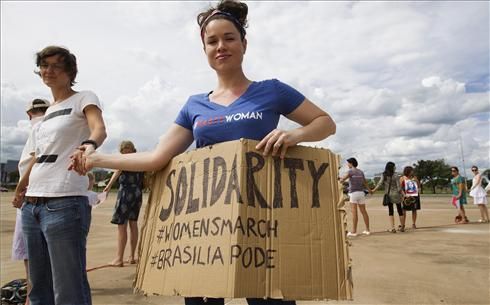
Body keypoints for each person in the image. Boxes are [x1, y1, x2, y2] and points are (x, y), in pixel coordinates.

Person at [70, 1, 335, 304]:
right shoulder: (194, 105)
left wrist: (294, 134)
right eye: (212, 41)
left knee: (269, 299)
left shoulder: (272, 90)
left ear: (244, 44)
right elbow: (157, 157)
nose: (221, 46)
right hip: (205, 228)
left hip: (262, 222)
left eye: (229, 38)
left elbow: (325, 123)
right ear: (205, 49)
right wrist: (97, 159)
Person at [12, 45, 106, 305]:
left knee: (68, 288)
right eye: (44, 65)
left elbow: (99, 128)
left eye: (56, 65)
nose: (48, 70)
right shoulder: (50, 111)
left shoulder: (84, 97)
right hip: (33, 205)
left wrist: (89, 144)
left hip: (64, 202)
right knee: (39, 288)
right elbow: (39, 156)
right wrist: (22, 188)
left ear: (70, 71)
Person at [11, 98, 50, 305]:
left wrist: (19, 190)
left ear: (28, 114)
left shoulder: (37, 129)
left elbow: (37, 158)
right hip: (43, 196)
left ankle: (30, 298)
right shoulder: (51, 125)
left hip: (31, 198)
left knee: (31, 255)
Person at [103, 140, 144, 266]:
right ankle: (132, 256)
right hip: (137, 193)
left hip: (126, 193)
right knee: (133, 224)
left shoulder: (124, 159)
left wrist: (108, 187)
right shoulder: (140, 160)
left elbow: (117, 171)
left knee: (122, 226)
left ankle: (119, 259)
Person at [339, 158, 371, 237]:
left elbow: (342, 180)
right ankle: (367, 230)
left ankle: (354, 231)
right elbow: (365, 183)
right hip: (361, 193)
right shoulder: (361, 172)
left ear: (351, 163)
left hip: (353, 194)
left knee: (354, 213)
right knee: (364, 212)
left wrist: (339, 178)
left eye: (348, 163)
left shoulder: (350, 171)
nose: (347, 165)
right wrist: (370, 190)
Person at [371, 162, 405, 233]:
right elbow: (399, 188)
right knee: (400, 211)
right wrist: (403, 195)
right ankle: (402, 227)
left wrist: (373, 190)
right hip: (397, 195)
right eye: (394, 166)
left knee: (391, 211)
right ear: (391, 167)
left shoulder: (384, 175)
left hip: (389, 195)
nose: (395, 167)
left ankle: (393, 228)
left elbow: (380, 183)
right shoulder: (396, 175)